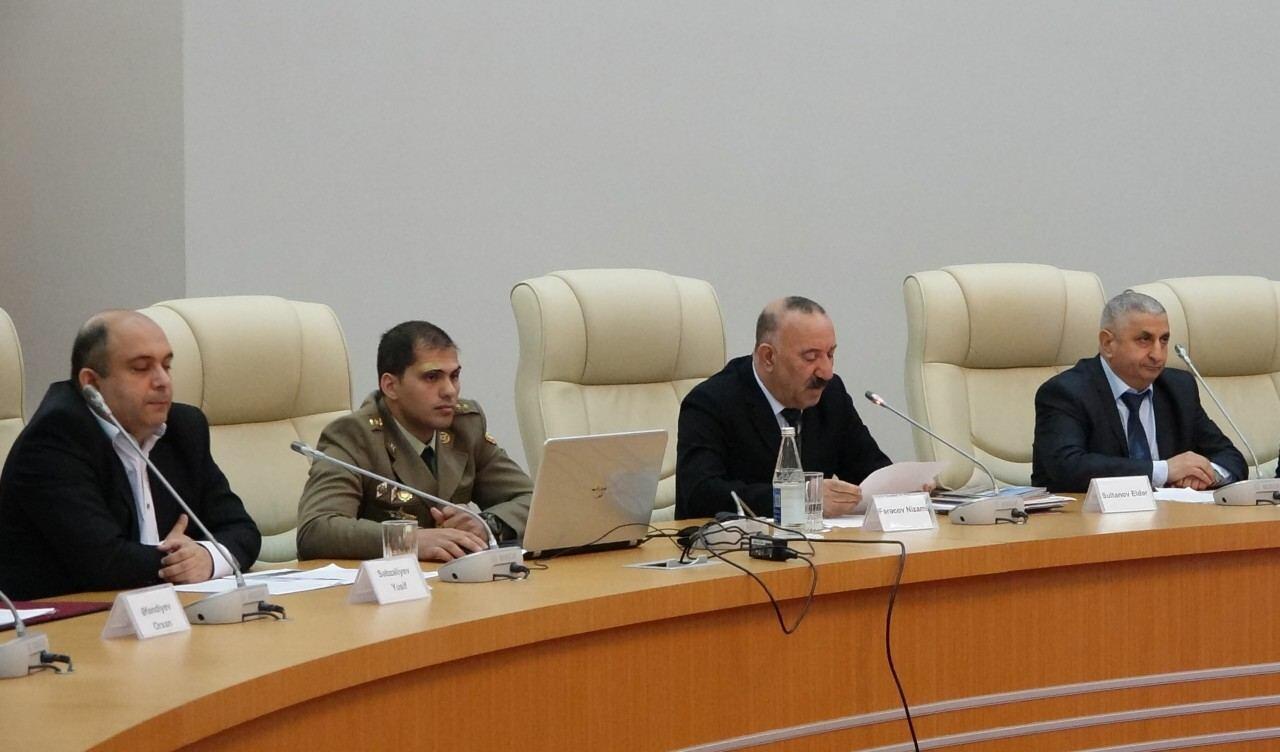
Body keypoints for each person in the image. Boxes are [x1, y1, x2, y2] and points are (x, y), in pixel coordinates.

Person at [0, 311, 261, 600]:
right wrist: (179, 561)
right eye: (141, 368)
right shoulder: (55, 438)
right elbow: (104, 562)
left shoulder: (184, 428)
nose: (162, 381)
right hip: (70, 618)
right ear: (91, 383)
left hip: (162, 612)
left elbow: (242, 530)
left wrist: (207, 556)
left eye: (166, 365)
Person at [296, 321, 531, 561]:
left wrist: (486, 523)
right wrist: (410, 540)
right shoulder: (354, 435)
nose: (449, 390)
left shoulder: (465, 425)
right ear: (391, 386)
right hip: (386, 580)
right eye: (432, 377)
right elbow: (316, 530)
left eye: (454, 376)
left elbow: (533, 500)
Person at [676, 296, 892, 519]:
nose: (826, 372)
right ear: (768, 357)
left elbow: (871, 472)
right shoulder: (711, 401)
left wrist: (906, 491)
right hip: (737, 540)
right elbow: (700, 495)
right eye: (811, 357)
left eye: (830, 354)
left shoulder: (831, 395)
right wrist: (799, 499)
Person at [1032, 291, 1247, 492]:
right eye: (1144, 340)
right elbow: (1068, 467)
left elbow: (1231, 458)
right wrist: (1164, 471)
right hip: (1089, 517)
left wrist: (1208, 474)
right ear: (1107, 343)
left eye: (1164, 340)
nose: (1158, 355)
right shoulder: (1066, 392)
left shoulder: (1178, 388)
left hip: (1173, 514)